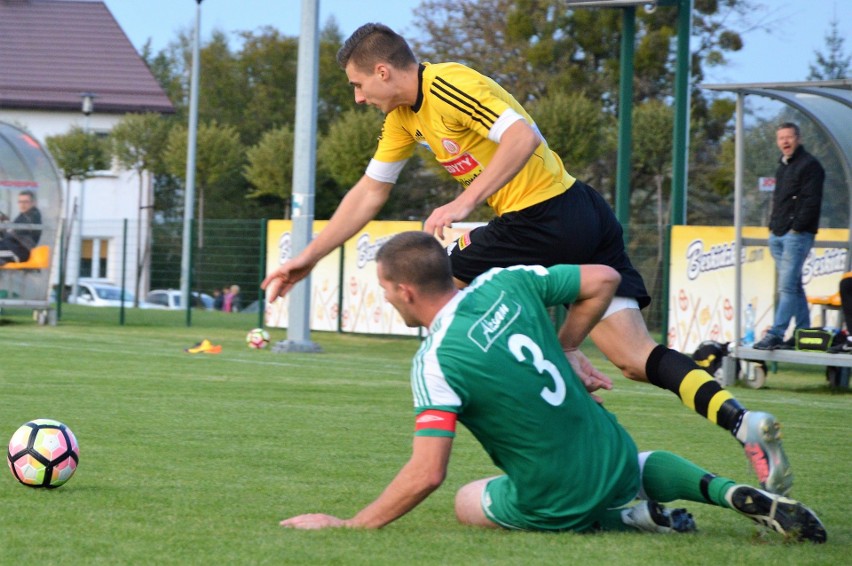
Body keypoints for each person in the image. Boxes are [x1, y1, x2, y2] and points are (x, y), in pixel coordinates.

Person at [262, 23, 792, 495]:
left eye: (357, 84)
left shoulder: (449, 83)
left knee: (437, 285)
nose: (357, 97)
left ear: (382, 71)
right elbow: (369, 192)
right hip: (577, 212)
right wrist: (307, 257)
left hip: (543, 217)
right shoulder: (404, 118)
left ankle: (559, 422)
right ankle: (743, 422)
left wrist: (465, 202)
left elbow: (523, 136)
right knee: (634, 357)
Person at [280, 232, 826, 543]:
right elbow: (604, 280)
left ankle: (625, 518)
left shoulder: (434, 362)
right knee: (635, 462)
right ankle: (727, 492)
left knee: (469, 499)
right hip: (610, 453)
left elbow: (428, 473)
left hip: (555, 498)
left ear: (403, 291)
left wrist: (349, 523)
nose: (385, 298)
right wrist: (568, 347)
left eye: (383, 290)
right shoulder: (505, 281)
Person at [754, 122, 824, 351]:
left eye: (789, 137)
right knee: (793, 285)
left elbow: (811, 202)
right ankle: (805, 332)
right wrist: (773, 227)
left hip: (797, 234)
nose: (784, 141)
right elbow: (779, 199)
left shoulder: (811, 165)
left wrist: (797, 227)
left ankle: (776, 332)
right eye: (780, 138)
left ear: (798, 138)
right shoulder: (782, 166)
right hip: (778, 234)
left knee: (786, 287)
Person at [0, 190, 42, 266]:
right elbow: (13, 233)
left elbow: (15, 234)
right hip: (12, 247)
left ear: (33, 203)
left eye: (26, 202)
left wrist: (5, 228)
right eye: (20, 202)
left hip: (20, 252)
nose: (22, 205)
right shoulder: (24, 215)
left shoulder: (32, 216)